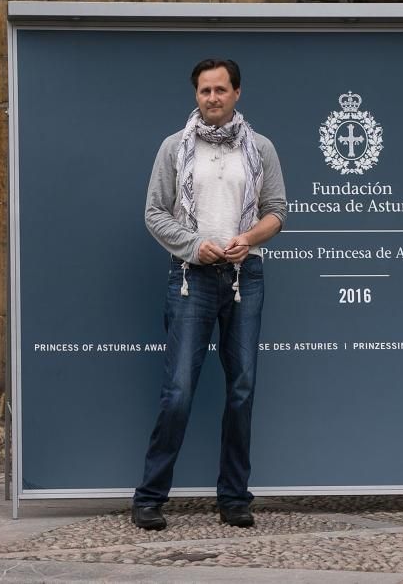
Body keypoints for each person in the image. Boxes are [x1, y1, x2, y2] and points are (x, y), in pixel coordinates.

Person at [132, 58, 287, 530]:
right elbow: (155, 212)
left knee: (241, 391)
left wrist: (250, 239)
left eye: (221, 89)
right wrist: (195, 246)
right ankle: (149, 497)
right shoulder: (173, 149)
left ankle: (234, 497)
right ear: (195, 95)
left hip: (245, 278)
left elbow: (277, 209)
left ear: (237, 93)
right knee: (178, 392)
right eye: (204, 90)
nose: (213, 98)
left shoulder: (260, 148)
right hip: (190, 279)